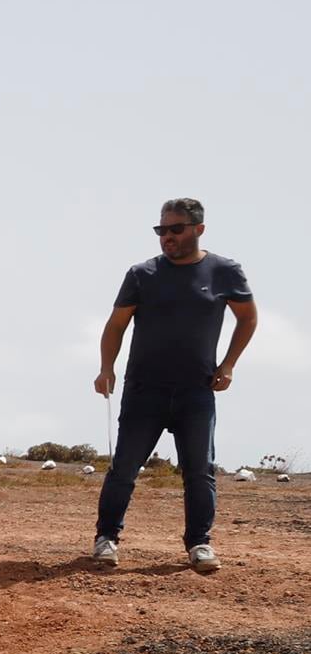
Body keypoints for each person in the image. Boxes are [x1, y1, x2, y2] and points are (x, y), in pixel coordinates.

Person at [93, 198, 256, 575]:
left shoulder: (225, 271)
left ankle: (200, 543)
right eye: (161, 230)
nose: (167, 237)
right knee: (124, 469)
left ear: (198, 229)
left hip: (196, 391)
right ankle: (106, 539)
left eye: (175, 229)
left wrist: (228, 364)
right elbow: (116, 325)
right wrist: (106, 368)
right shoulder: (141, 274)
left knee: (200, 471)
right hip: (143, 390)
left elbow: (247, 318)